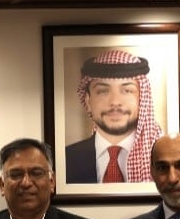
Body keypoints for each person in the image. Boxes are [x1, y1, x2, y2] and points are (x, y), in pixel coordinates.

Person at [64, 49, 163, 183]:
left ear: (142, 99)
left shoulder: (164, 158)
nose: (115, 102)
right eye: (103, 91)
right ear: (88, 101)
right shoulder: (65, 159)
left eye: (127, 90)